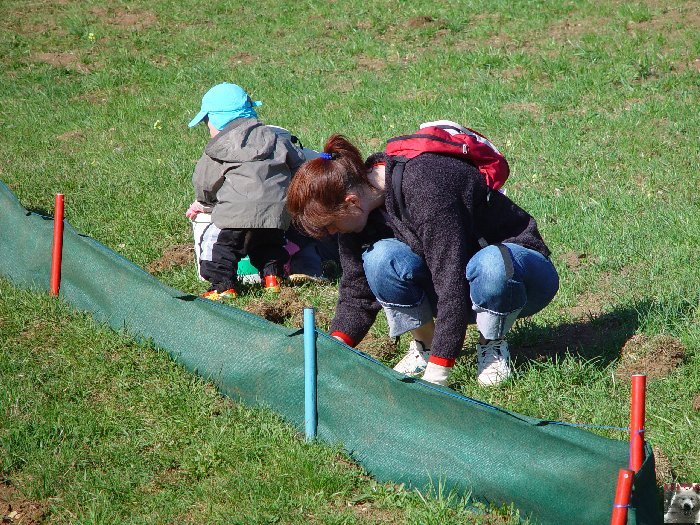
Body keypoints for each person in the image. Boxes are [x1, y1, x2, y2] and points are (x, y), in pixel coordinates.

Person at [286, 135, 559, 387]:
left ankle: (492, 344)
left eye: (331, 225)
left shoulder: (425, 185)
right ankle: (425, 346)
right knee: (381, 258)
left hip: (521, 278)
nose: (332, 233)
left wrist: (439, 374)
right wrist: (331, 351)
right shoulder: (358, 217)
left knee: (490, 264)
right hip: (459, 283)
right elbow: (356, 293)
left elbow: (450, 280)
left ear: (351, 201)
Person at [185, 82, 305, 299]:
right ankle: (272, 278)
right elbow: (299, 166)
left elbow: (204, 182)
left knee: (224, 250)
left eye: (207, 122)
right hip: (276, 213)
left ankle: (223, 286)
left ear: (218, 119)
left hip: (237, 215)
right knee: (268, 245)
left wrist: (206, 203)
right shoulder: (276, 138)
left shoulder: (217, 148)